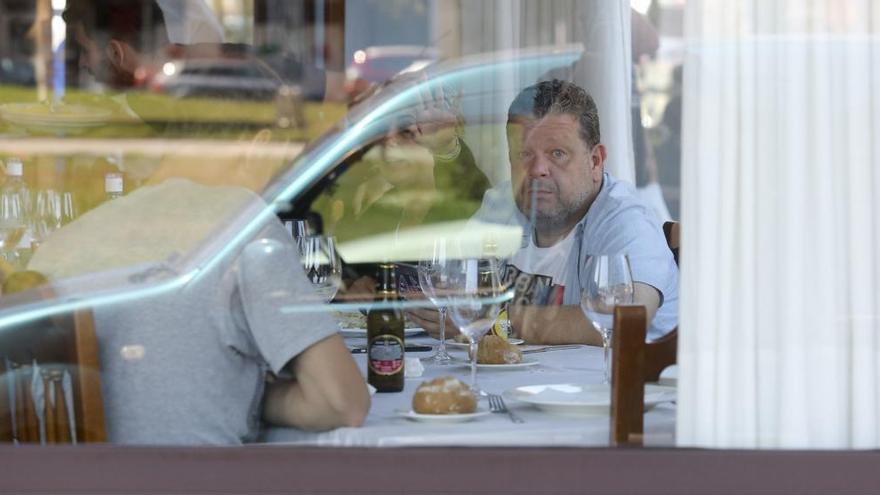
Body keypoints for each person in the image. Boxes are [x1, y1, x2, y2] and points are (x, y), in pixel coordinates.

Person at [28, 178, 371, 444]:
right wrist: (252, 394)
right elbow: (342, 402)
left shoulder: (62, 242)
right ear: (259, 144)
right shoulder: (239, 221)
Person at [408, 79, 678, 344]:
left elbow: (626, 319)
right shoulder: (503, 205)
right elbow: (453, 282)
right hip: (521, 385)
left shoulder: (625, 219)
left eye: (557, 153)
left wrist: (493, 320)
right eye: (524, 154)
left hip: (618, 385)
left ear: (595, 162)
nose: (537, 169)